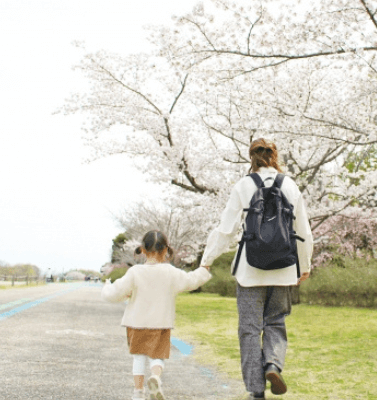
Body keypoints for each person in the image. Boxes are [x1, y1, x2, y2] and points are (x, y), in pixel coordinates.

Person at [200, 138, 313, 400]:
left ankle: (255, 390)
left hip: (250, 270)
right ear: (275, 156)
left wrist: (208, 258)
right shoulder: (291, 186)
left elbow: (226, 230)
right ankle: (273, 364)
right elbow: (303, 231)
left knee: (249, 329)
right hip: (284, 270)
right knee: (276, 321)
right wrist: (303, 266)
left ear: (251, 157)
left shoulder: (244, 185)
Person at [101, 230, 212, 400]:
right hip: (160, 323)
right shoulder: (170, 272)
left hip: (136, 322)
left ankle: (138, 392)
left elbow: (117, 292)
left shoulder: (135, 272)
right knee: (157, 356)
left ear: (143, 250)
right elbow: (190, 281)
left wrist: (107, 286)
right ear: (165, 250)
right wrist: (203, 270)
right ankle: (155, 377)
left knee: (138, 357)